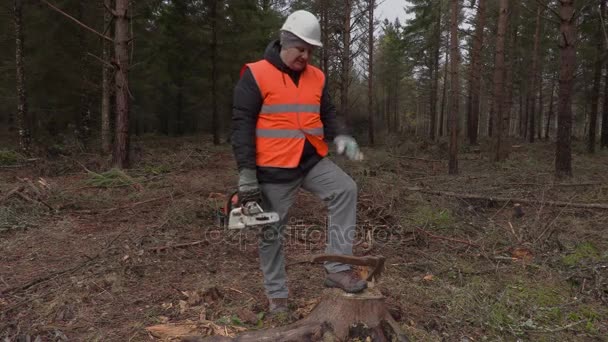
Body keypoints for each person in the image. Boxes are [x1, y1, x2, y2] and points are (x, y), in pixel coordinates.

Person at [231, 10, 366, 315]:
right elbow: (241, 126)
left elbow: (328, 113)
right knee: (272, 233)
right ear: (284, 42)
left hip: (310, 160)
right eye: (301, 49)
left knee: (345, 189)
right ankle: (277, 298)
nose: (305, 56)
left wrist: (342, 136)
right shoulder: (256, 74)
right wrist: (247, 174)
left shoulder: (316, 76)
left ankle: (337, 269)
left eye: (310, 51)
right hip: (273, 169)